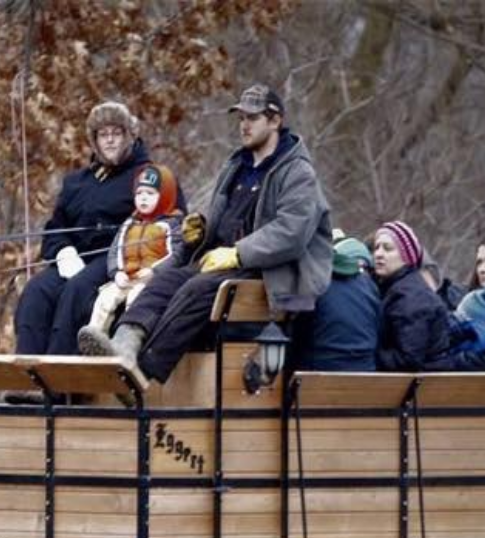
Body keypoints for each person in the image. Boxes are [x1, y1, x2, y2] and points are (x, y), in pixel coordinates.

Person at [77, 84, 332, 384]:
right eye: (241, 118)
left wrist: (238, 253)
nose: (244, 125)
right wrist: (200, 231)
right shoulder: (237, 165)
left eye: (252, 118)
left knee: (196, 290)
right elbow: (225, 223)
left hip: (270, 271)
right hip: (220, 261)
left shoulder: (297, 171)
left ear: (275, 121)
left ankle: (141, 372)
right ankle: (123, 349)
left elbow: (291, 232)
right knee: (163, 282)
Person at [15, 101, 156, 354]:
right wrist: (64, 252)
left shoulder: (147, 176)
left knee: (77, 291)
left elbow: (166, 220)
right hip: (75, 259)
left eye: (116, 133)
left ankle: (58, 372)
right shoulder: (77, 182)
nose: (110, 140)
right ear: (94, 140)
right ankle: (26, 367)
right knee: (36, 291)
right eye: (103, 134)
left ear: (129, 136)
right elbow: (56, 227)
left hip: (118, 259)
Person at [78, 164, 184, 342]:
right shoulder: (129, 224)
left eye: (150, 194)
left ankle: (124, 341)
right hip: (127, 277)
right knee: (105, 298)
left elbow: (177, 255)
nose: (143, 198)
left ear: (165, 196)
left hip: (150, 281)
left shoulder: (171, 225)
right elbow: (115, 251)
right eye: (139, 193)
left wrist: (154, 272)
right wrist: (117, 272)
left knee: (136, 300)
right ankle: (94, 337)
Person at [290, 235, 380, 371]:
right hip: (366, 372)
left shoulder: (313, 282)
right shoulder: (369, 285)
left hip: (318, 374)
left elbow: (297, 335)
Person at [373, 221, 453, 371]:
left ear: (407, 256)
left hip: (422, 383)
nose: (378, 254)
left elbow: (408, 359)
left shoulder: (410, 296)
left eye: (388, 248)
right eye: (376, 247)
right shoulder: (397, 288)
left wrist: (368, 354)